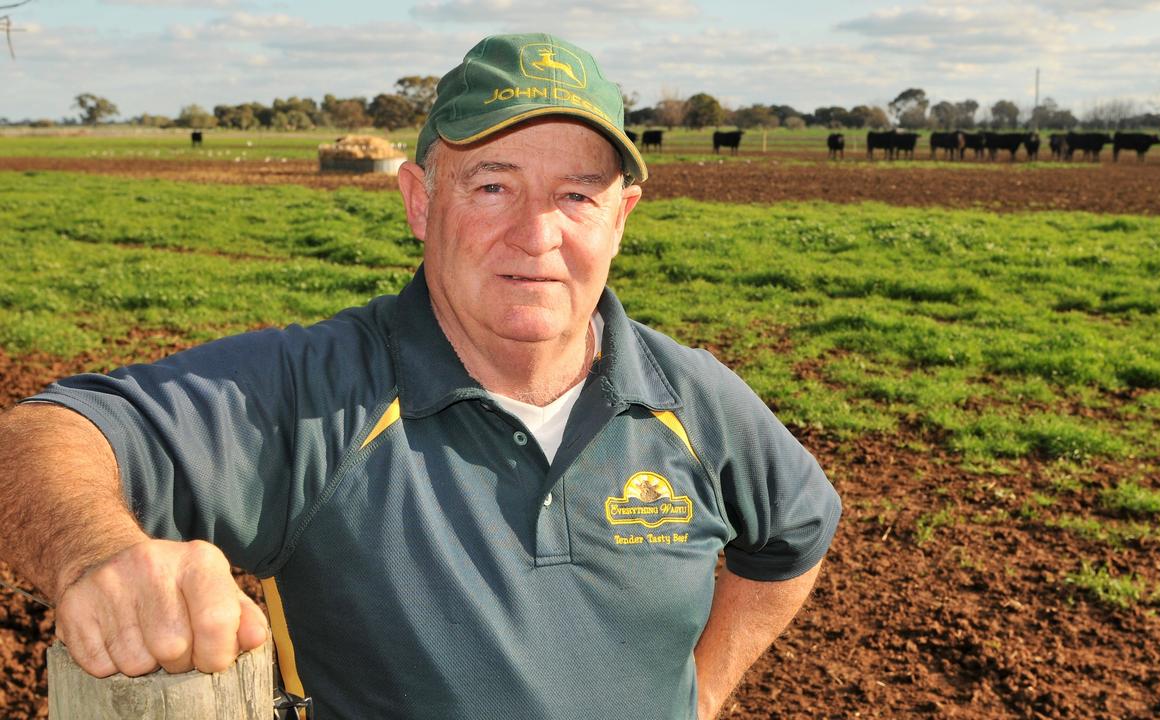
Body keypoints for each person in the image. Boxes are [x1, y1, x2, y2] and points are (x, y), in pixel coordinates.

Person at [0, 33, 841, 719]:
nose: (536, 234)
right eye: (491, 186)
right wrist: (95, 555)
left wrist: (700, 694)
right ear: (418, 201)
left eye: (577, 196)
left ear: (620, 218)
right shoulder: (318, 394)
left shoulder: (692, 399)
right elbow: (40, 436)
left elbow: (797, 531)